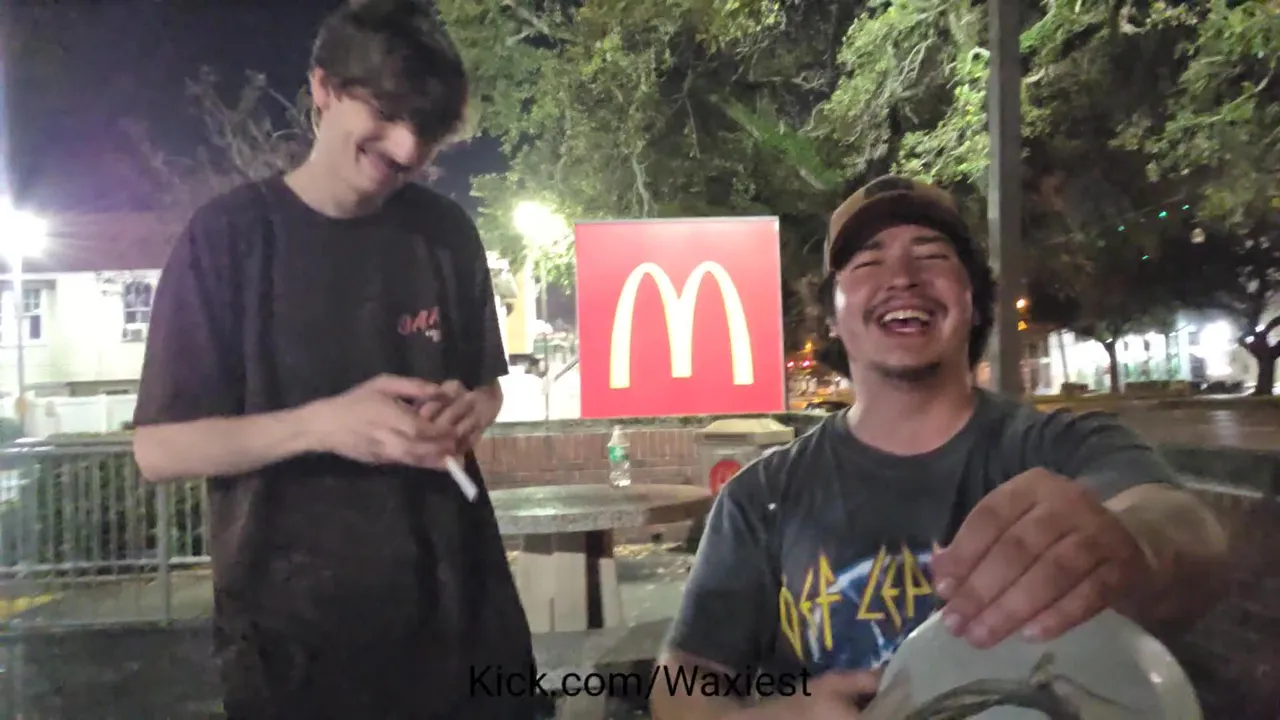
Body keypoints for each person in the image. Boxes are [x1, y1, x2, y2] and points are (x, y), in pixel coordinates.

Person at [651, 176, 1230, 719]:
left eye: (931, 255)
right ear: (830, 315)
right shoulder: (760, 496)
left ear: (973, 300)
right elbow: (681, 680)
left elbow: (1181, 526)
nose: (902, 277)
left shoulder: (1061, 447)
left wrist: (1133, 545)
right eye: (868, 261)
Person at [131, 1, 541, 717]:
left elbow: (485, 388)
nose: (407, 148)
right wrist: (324, 425)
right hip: (296, 645)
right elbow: (159, 449)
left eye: (428, 130)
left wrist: (470, 411)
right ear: (323, 88)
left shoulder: (445, 233)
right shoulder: (227, 240)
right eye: (387, 113)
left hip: (463, 620)